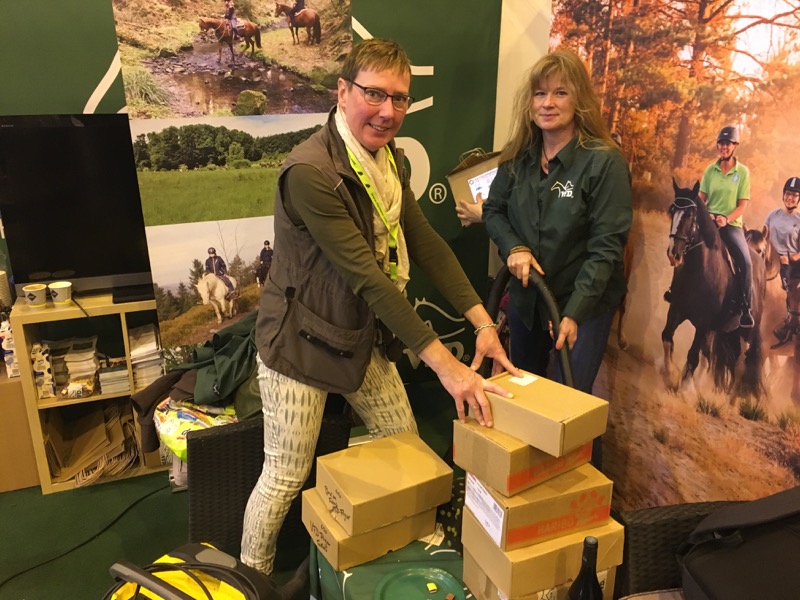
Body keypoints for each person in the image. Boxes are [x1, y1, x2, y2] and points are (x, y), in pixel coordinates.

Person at [240, 38, 519, 576]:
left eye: (400, 98)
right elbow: (367, 277)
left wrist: (483, 322)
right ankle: (251, 577)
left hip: (357, 333)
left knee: (405, 445)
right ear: (342, 92)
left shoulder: (389, 161)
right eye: (374, 94)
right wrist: (449, 368)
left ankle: (403, 554)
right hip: (299, 343)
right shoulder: (310, 172)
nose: (388, 111)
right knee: (285, 475)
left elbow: (426, 243)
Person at [482, 50, 632, 403]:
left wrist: (574, 313)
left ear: (579, 99)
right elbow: (493, 211)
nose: (547, 103)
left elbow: (606, 247)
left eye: (560, 93)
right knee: (524, 396)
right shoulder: (518, 157)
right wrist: (514, 247)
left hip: (584, 303)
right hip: (528, 300)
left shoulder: (603, 162)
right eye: (540, 94)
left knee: (570, 403)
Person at [698, 125, 754, 328]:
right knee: (686, 245)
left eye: (728, 144)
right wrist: (708, 214)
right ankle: (675, 290)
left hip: (731, 225)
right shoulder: (710, 170)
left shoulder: (743, 172)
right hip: (709, 223)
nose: (724, 147)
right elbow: (700, 199)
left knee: (746, 262)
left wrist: (726, 219)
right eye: (721, 143)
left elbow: (742, 205)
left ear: (734, 146)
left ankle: (746, 308)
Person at [766, 177, 800, 343]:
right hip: (771, 260)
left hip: (792, 264)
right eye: (787, 194)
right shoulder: (773, 215)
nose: (790, 198)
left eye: (794, 195)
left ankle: (791, 321)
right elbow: (764, 237)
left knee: (794, 292)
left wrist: (791, 258)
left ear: (798, 199)